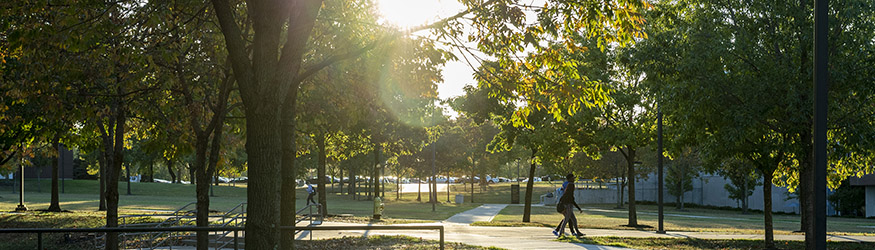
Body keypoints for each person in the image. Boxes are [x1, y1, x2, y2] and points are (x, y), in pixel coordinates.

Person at [553, 173, 584, 238]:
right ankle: (560, 233)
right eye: (573, 178)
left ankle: (577, 232)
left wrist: (578, 208)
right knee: (566, 219)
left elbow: (568, 198)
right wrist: (578, 208)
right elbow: (571, 199)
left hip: (567, 204)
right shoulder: (571, 185)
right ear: (570, 179)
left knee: (573, 219)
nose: (574, 179)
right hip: (568, 205)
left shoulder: (568, 187)